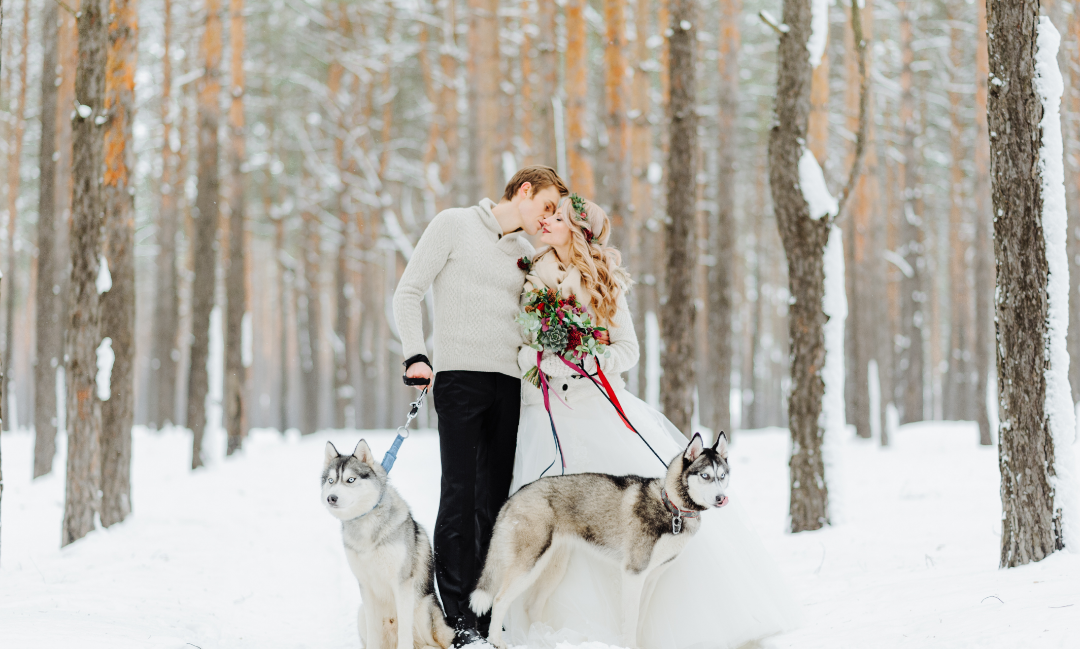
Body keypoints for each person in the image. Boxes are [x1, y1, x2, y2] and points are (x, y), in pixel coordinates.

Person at [507, 195, 800, 649]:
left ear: (579, 230)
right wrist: (545, 358)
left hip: (602, 408)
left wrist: (585, 356)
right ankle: (547, 627)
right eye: (545, 215)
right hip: (548, 418)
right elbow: (521, 347)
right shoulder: (532, 279)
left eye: (558, 216)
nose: (546, 221)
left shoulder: (605, 281)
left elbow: (628, 351)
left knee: (646, 518)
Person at [392, 166, 570, 646]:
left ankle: (484, 611)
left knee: (494, 502)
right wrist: (416, 353)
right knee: (460, 495)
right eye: (547, 206)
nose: (548, 218)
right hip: (458, 380)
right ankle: (456, 621)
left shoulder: (526, 254)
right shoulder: (454, 224)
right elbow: (408, 291)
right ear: (524, 191)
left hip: (509, 385)